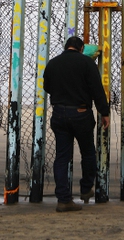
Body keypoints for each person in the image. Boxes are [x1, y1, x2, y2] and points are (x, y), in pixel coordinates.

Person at [43, 36, 110, 212]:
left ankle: (64, 199)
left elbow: (47, 87)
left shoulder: (52, 63)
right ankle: (86, 188)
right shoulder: (86, 63)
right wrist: (105, 112)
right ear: (81, 49)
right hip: (80, 113)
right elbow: (97, 89)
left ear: (66, 47)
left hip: (59, 113)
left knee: (62, 157)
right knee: (88, 152)